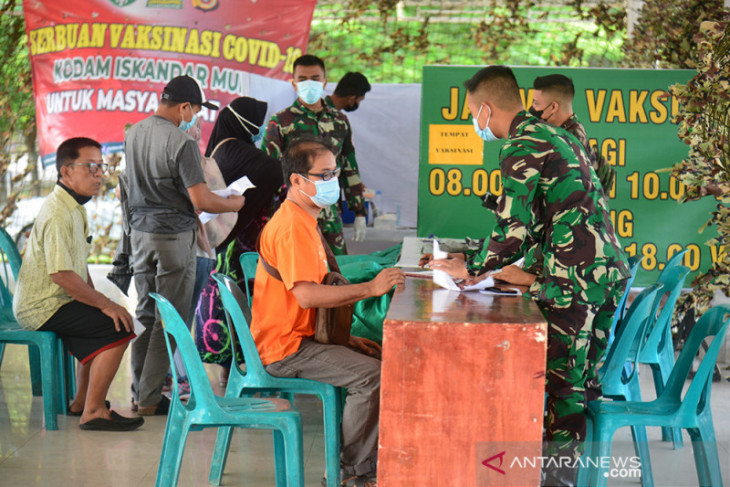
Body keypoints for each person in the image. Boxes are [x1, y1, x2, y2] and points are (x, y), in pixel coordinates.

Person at [429, 66, 631, 487]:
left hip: (575, 277)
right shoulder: (555, 135)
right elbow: (541, 219)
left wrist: (470, 268)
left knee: (562, 387)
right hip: (602, 271)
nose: (474, 123)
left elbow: (514, 231)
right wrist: (495, 262)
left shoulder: (521, 145)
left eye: (472, 113)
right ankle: (557, 476)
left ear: (486, 108)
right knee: (578, 382)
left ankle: (557, 480)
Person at [251, 137, 405, 487]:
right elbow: (305, 296)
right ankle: (348, 472)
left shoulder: (305, 220)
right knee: (372, 377)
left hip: (302, 337)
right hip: (284, 348)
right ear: (296, 181)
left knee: (377, 358)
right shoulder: (292, 226)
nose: (332, 181)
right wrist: (371, 288)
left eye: (334, 173)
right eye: (323, 175)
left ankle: (363, 461)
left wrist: (345, 338)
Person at [124, 75, 244, 415]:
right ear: (185, 107)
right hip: (174, 240)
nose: (194, 118)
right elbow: (201, 199)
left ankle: (139, 391)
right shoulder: (182, 142)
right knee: (171, 318)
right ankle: (150, 399)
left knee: (146, 314)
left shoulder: (134, 133)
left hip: (141, 237)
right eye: (194, 111)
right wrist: (234, 203)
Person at [13, 137, 143, 431]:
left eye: (101, 167)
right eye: (91, 167)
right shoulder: (58, 212)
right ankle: (94, 411)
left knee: (107, 317)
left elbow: (78, 266)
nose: (99, 174)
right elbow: (61, 275)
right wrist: (105, 305)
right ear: (66, 171)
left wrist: (98, 302)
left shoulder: (74, 206)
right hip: (42, 305)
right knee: (120, 326)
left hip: (57, 300)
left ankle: (82, 402)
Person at [195, 96, 285, 384]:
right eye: (256, 123)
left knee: (227, 303)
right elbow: (275, 172)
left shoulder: (220, 147)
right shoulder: (238, 151)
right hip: (239, 244)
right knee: (241, 302)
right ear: (242, 122)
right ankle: (242, 368)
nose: (258, 129)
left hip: (222, 242)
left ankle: (228, 370)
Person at [262, 55, 369, 253]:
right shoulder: (281, 122)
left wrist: (359, 211)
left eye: (315, 78)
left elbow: (349, 168)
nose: (308, 83)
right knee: (299, 273)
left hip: (330, 216)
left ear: (324, 82)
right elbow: (266, 171)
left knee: (336, 274)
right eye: (302, 79)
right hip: (293, 215)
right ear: (294, 84)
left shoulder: (339, 121)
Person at [530, 74, 616, 193]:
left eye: (536, 103)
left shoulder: (571, 140)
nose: (532, 108)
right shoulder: (560, 130)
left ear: (553, 107)